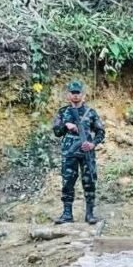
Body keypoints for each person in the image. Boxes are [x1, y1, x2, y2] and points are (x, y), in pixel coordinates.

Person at [51, 80, 105, 225]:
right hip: (69, 154)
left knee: (89, 182)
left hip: (87, 153)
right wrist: (66, 126)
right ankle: (67, 214)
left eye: (78, 93)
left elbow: (100, 132)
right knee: (67, 183)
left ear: (83, 95)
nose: (75, 95)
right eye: (73, 93)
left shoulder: (90, 113)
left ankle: (90, 214)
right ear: (68, 95)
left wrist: (92, 144)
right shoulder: (63, 112)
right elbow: (57, 132)